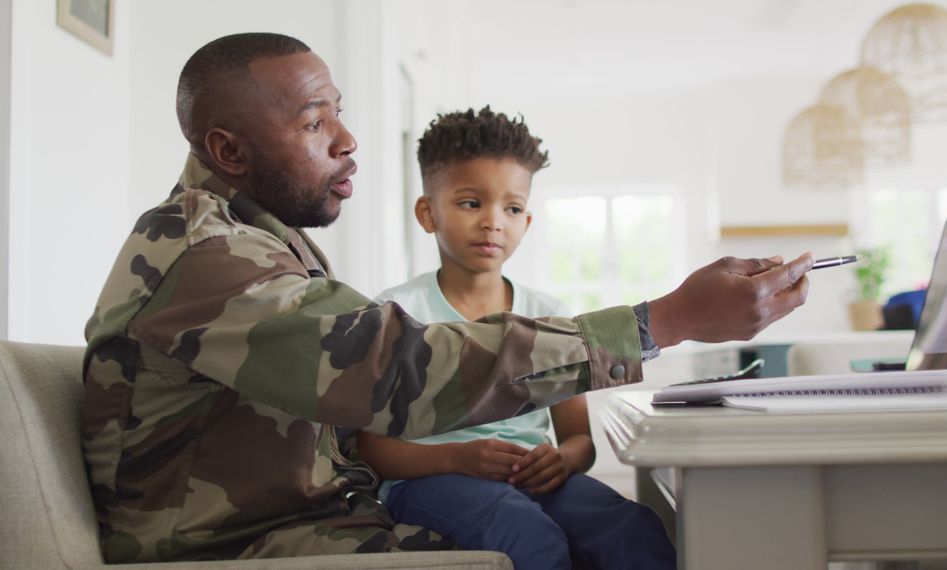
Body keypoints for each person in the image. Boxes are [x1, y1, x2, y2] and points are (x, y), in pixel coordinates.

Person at [82, 32, 813, 563]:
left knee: (623, 537)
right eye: (313, 123)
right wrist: (669, 319)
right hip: (238, 548)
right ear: (230, 152)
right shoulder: (204, 253)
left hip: (309, 519)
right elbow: (392, 371)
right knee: (527, 543)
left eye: (336, 111)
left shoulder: (261, 239)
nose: (348, 140)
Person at [351, 106, 675, 569]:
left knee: (633, 530)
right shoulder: (395, 314)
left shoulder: (551, 316)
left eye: (513, 208)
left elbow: (578, 438)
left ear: (527, 222)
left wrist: (562, 460)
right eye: (470, 203)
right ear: (428, 213)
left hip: (531, 479)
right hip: (429, 480)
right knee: (527, 533)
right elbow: (370, 449)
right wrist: (458, 458)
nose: (493, 221)